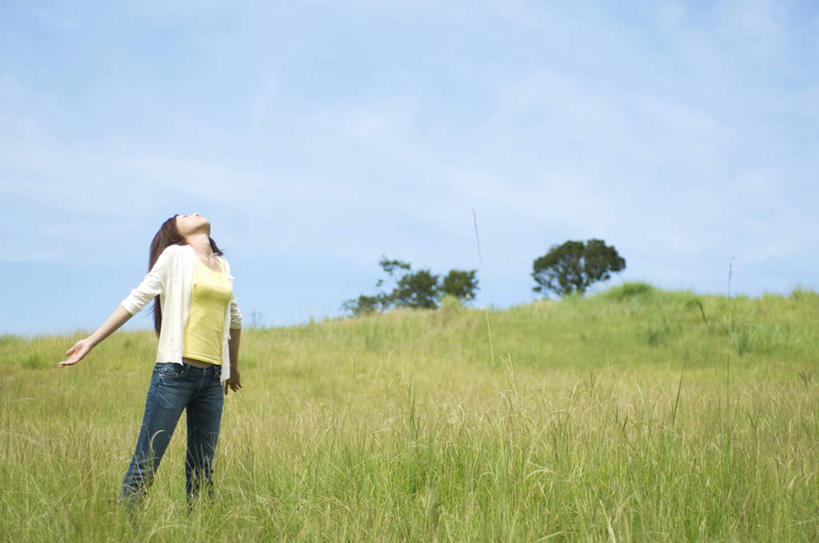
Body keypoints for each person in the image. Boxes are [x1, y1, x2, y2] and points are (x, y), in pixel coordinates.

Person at [58, 213, 243, 506]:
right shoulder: (175, 255)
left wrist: (231, 368)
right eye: (183, 216)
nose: (192, 213)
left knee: (202, 470)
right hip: (174, 375)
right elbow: (137, 299)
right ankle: (126, 531)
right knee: (145, 465)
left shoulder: (222, 265)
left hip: (211, 380)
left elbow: (234, 318)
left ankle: (201, 532)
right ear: (176, 233)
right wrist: (91, 341)